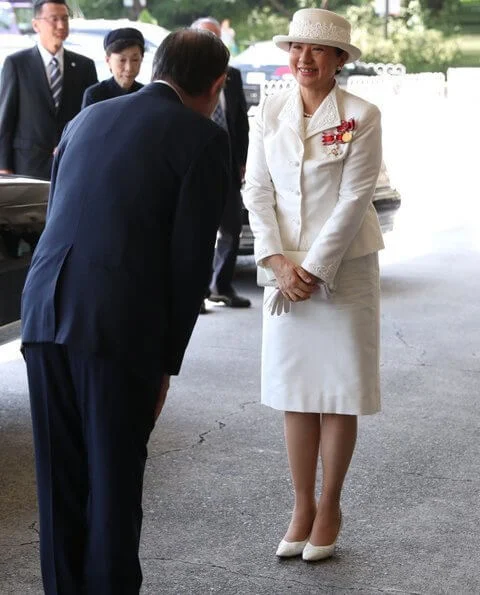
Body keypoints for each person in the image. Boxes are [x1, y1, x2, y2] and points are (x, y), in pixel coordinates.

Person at [21, 29, 230, 594]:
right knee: (112, 484)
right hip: (116, 324)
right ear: (216, 86)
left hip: (42, 309)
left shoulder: (87, 117)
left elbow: (60, 205)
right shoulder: (202, 138)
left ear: (157, 65)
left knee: (60, 482)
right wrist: (166, 364)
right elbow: (189, 265)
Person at [243, 8, 384, 562]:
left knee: (337, 391)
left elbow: (354, 200)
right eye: (296, 48)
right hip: (284, 271)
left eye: (318, 50)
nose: (303, 59)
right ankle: (301, 505)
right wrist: (277, 262)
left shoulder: (362, 114)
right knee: (294, 393)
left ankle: (331, 505)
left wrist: (313, 268)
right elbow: (256, 190)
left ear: (340, 60)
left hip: (343, 269)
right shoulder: (268, 110)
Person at [0, 0, 97, 180]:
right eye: (54, 19)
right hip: (27, 165)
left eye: (65, 19)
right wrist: (4, 166)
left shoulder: (85, 66)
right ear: (36, 25)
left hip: (71, 163)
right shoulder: (17, 64)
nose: (61, 25)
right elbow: (5, 119)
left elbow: (90, 118)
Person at [192, 17, 251, 310]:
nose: (213, 45)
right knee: (198, 229)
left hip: (228, 161)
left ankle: (222, 286)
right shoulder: (187, 76)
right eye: (206, 38)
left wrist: (242, 160)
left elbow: (240, 120)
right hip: (196, 162)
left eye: (217, 39)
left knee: (232, 226)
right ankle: (197, 291)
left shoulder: (233, 75)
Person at [82, 27, 145, 108]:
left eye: (135, 60)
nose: (129, 68)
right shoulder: (95, 95)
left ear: (142, 59)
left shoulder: (145, 94)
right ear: (108, 61)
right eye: (122, 60)